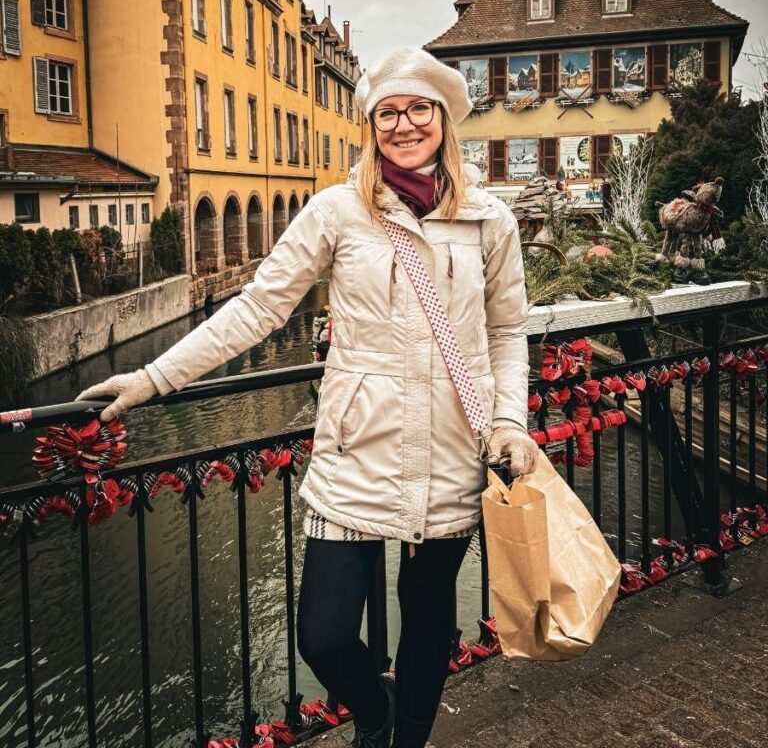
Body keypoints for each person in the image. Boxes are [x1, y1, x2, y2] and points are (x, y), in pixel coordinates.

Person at [76, 47, 535, 748]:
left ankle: (404, 740)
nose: (405, 124)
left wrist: (509, 422)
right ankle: (373, 710)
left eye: (419, 109)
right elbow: (257, 309)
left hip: (451, 449)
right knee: (321, 636)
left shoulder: (487, 220)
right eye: (389, 112)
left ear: (442, 119)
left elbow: (506, 331)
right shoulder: (337, 212)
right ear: (370, 124)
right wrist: (153, 378)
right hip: (356, 452)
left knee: (429, 620)